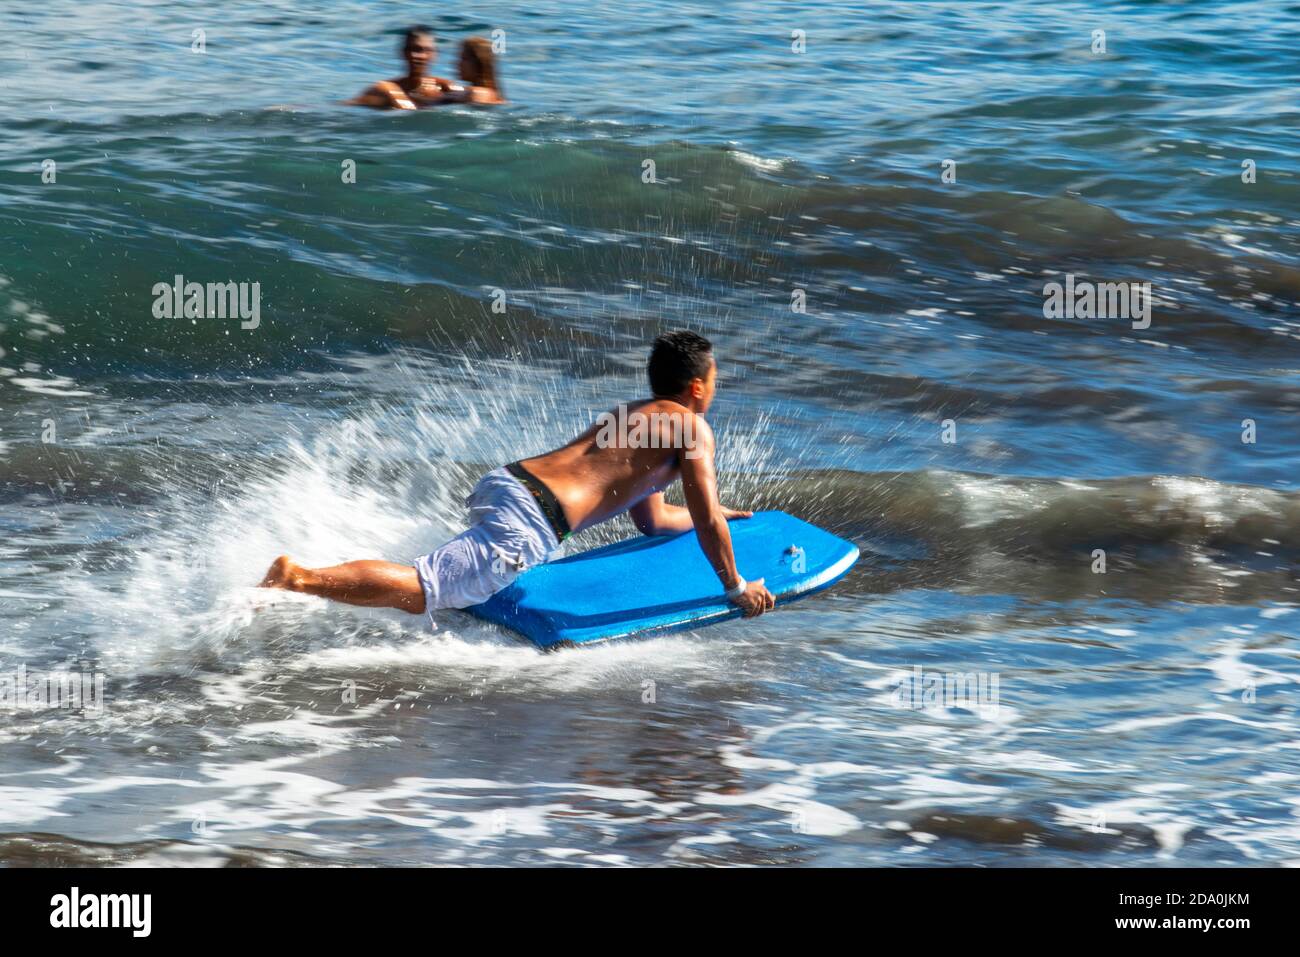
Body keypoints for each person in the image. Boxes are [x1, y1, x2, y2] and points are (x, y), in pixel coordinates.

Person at [260, 331, 776, 620]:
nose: (715, 390)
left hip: (509, 483)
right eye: (715, 382)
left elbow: (654, 519)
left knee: (462, 585)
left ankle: (462, 591)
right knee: (426, 589)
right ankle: (298, 579)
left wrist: (721, 515)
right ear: (696, 387)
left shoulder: (632, 416)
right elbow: (707, 520)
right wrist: (735, 586)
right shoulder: (692, 428)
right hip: (534, 518)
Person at [346, 25, 456, 110]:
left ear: (435, 54)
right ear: (403, 53)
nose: (416, 55)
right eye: (411, 49)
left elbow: (470, 97)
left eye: (424, 50)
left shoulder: (444, 87)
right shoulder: (384, 89)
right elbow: (348, 107)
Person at [452, 37, 506, 105]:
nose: (457, 63)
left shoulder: (477, 93)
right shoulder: (491, 94)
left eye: (464, 59)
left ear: (479, 63)